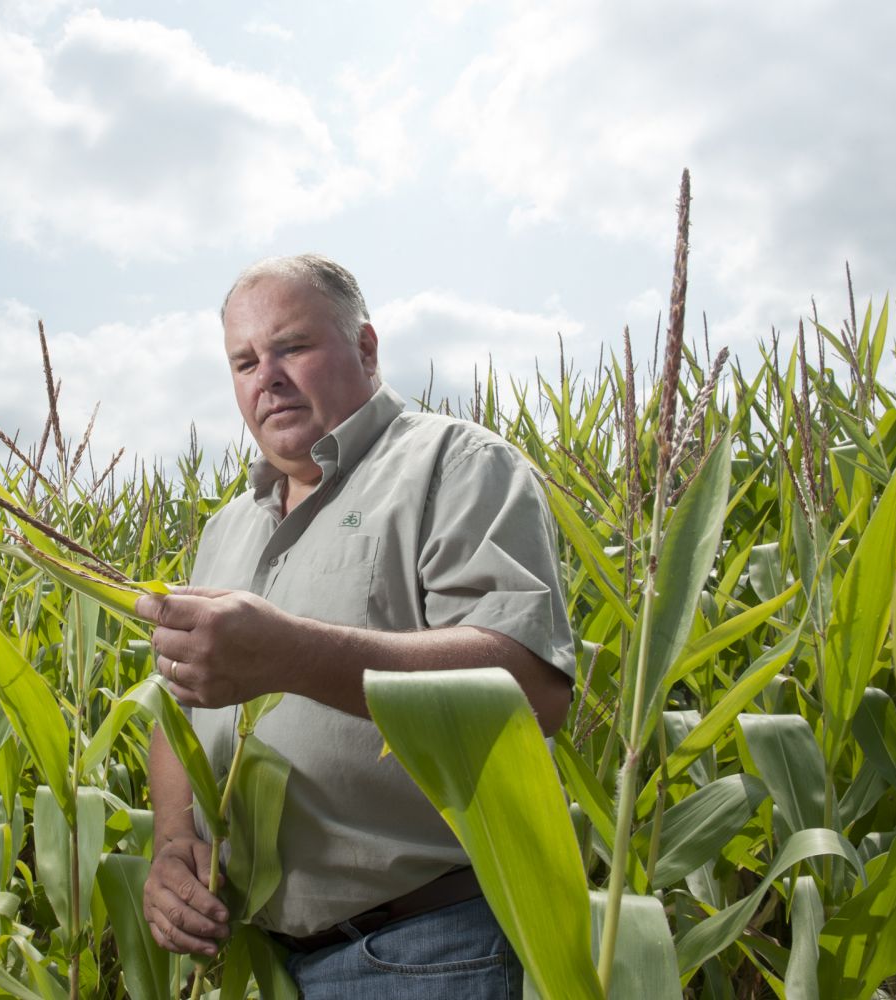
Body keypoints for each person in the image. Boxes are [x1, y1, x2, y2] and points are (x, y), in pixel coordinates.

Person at [135, 254, 575, 999]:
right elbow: (174, 705)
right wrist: (174, 844)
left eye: (292, 347)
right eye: (243, 361)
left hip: (421, 950)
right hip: (256, 965)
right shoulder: (227, 529)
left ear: (366, 348)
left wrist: (293, 655)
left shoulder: (453, 465)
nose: (265, 376)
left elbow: (527, 686)